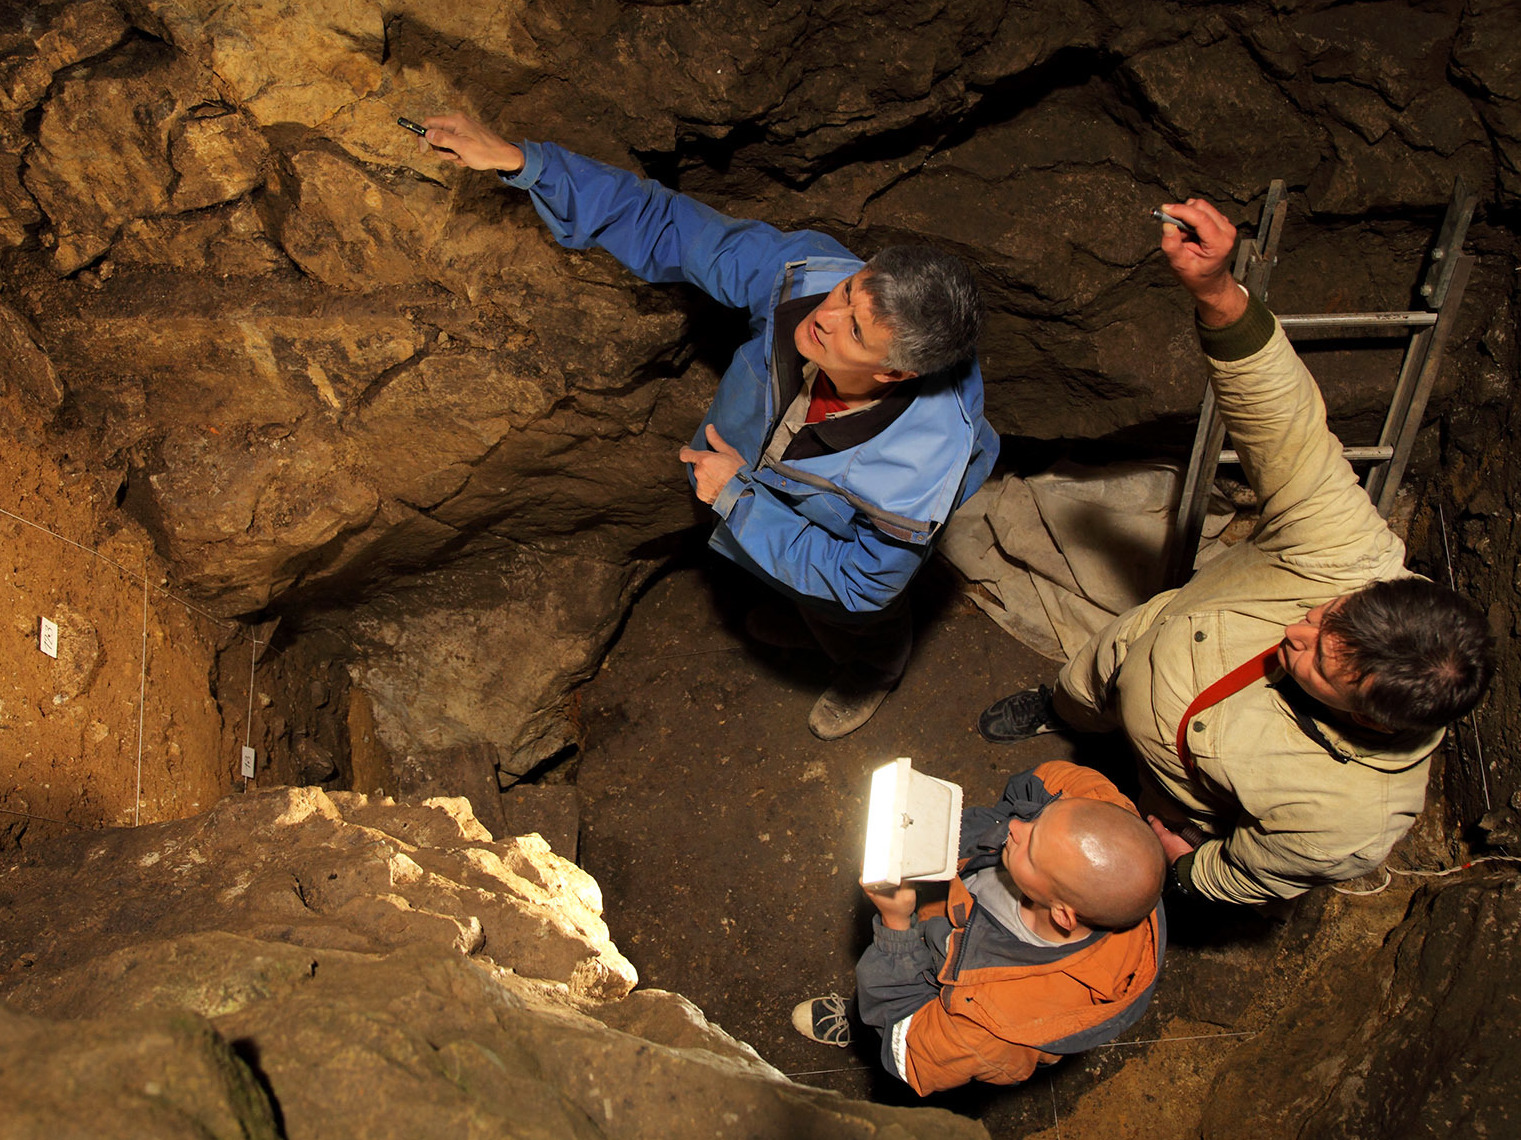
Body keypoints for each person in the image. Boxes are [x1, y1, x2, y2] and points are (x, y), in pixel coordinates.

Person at [977, 199, 1495, 907]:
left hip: (1172, 794)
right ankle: (1063, 710)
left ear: (1369, 719)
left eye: (1317, 660)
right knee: (1083, 682)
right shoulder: (1348, 553)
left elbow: (1251, 872)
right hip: (1135, 647)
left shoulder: (1346, 818)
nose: (1295, 632)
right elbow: (1285, 428)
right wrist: (1218, 293)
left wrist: (1180, 871)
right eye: (1327, 615)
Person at [418, 115, 998, 739]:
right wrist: (519, 161)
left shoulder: (915, 475)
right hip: (759, 470)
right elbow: (669, 223)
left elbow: (861, 582)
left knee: (850, 611)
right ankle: (802, 609)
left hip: (836, 522)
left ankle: (868, 667)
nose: (825, 315)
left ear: (895, 375)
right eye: (849, 292)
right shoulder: (806, 279)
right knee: (783, 563)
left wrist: (737, 497)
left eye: (854, 331)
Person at [792, 761, 1166, 1095]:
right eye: (1039, 821)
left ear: (1063, 914)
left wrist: (896, 925)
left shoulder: (993, 1028)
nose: (1016, 826)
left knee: (885, 1021)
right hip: (951, 913)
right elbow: (1038, 783)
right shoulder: (1098, 812)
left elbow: (911, 1056)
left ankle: (861, 1025)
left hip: (935, 995)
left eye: (1032, 850)